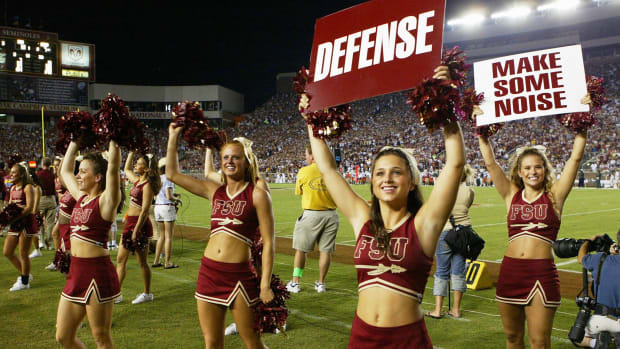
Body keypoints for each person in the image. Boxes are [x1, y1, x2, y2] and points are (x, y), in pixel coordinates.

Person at [304, 66, 465, 348]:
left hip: (407, 340)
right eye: (379, 173)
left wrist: (445, 103)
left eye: (396, 172)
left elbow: (454, 164)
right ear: (372, 181)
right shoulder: (361, 217)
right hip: (362, 336)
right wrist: (310, 119)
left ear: (412, 181)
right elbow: (328, 169)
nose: (387, 179)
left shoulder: (423, 224)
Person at [478, 99, 589, 349]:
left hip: (541, 272)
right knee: (513, 338)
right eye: (527, 167)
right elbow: (491, 164)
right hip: (510, 270)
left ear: (544, 169)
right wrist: (482, 134)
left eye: (538, 167)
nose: (533, 172)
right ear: (519, 171)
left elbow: (575, 158)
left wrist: (583, 124)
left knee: (540, 342)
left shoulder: (555, 196)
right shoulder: (510, 195)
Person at [167, 125, 275, 349]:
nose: (229, 161)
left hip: (239, 276)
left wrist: (265, 284)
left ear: (246, 162)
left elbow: (269, 242)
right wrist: (173, 136)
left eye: (236, 157)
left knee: (252, 341)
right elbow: (172, 174)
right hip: (209, 273)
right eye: (225, 157)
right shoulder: (213, 191)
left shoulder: (257, 194)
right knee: (212, 343)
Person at [55, 140, 121, 349]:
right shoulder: (81, 197)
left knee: (101, 337)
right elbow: (65, 172)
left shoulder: (106, 201)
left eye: (83, 172)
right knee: (63, 336)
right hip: (76, 272)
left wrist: (115, 144)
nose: (78, 175)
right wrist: (75, 140)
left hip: (97, 274)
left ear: (98, 177)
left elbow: (113, 171)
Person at [285, 144, 339, 294]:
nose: (305, 157)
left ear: (313, 155)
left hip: (311, 214)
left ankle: (296, 282)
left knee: (301, 250)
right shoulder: (332, 170)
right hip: (332, 215)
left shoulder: (304, 171)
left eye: (307, 155)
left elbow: (299, 191)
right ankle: (321, 284)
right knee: (325, 252)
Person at [426, 164, 475, 319]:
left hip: (446, 232)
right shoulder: (470, 191)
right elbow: (466, 206)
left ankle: (438, 310)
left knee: (442, 271)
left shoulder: (443, 190)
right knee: (459, 271)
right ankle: (456, 309)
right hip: (465, 232)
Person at [115, 152, 161, 304]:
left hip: (140, 225)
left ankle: (147, 293)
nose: (136, 165)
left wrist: (135, 230)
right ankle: (117, 294)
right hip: (131, 224)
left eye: (139, 163)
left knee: (142, 262)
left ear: (147, 169)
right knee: (120, 259)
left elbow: (145, 210)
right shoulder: (137, 182)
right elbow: (127, 168)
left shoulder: (147, 186)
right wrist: (131, 153)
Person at [576, 230, 620, 348]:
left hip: (600, 320)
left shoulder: (601, 259)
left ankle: (595, 343)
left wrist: (588, 242)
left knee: (576, 337)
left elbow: (581, 258)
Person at [3, 163, 37, 291]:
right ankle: (26, 274)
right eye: (10, 172)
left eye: (13, 172)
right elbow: (11, 205)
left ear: (22, 174)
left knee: (23, 253)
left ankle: (24, 282)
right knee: (7, 252)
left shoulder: (28, 187)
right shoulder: (12, 188)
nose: (10, 175)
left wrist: (15, 217)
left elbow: (29, 208)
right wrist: (5, 217)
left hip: (26, 223)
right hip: (15, 223)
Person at [152, 157, 179, 269]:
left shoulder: (158, 179)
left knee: (161, 236)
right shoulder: (169, 179)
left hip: (157, 207)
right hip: (167, 207)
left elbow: (156, 195)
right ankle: (167, 262)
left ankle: (156, 260)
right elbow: (169, 196)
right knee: (168, 237)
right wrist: (176, 199)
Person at [37, 157, 58, 250]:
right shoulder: (53, 175)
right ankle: (49, 244)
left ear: (42, 164)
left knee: (39, 222)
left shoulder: (38, 174)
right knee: (50, 223)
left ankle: (41, 242)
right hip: (52, 199)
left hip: (41, 199)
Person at [28, 168, 43, 259]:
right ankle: (36, 249)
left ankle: (37, 250)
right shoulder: (31, 187)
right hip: (31, 212)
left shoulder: (37, 188)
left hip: (34, 212)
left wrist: (32, 214)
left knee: (34, 232)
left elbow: (36, 203)